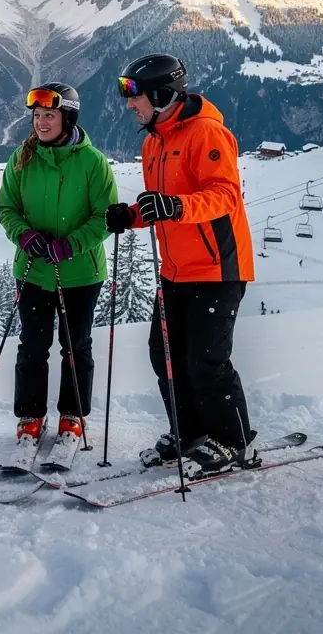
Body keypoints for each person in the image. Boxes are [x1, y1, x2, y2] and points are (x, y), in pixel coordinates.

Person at [105, 54, 256, 476]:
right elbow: (162, 206)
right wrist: (131, 216)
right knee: (165, 355)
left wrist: (172, 206)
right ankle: (189, 431)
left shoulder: (207, 134)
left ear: (162, 94)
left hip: (216, 267)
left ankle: (233, 441)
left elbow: (225, 195)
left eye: (135, 95)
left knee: (207, 360)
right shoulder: (153, 140)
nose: (129, 104)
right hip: (174, 270)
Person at [0, 83, 117, 450]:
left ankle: (72, 414)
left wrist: (71, 244)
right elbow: (7, 209)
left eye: (49, 115)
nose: (41, 122)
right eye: (36, 116)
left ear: (68, 118)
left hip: (80, 272)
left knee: (76, 345)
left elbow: (105, 217)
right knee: (32, 345)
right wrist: (25, 236)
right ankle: (30, 415)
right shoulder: (22, 157)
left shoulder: (93, 162)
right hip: (34, 270)